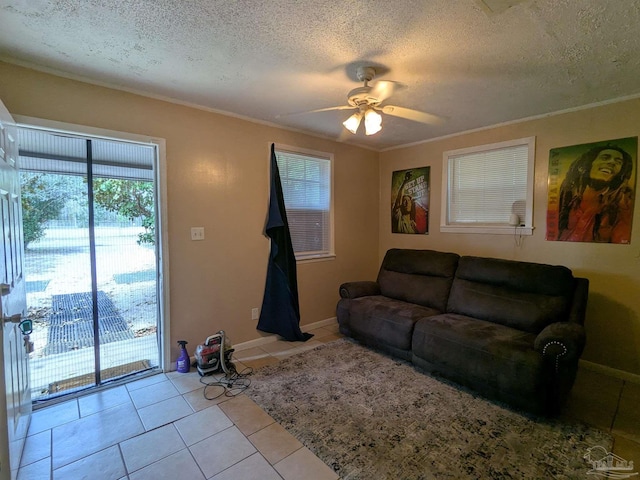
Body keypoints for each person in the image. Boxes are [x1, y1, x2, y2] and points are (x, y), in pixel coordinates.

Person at [556, 144, 634, 243]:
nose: (612, 163)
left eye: (618, 162)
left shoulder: (623, 204)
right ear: (589, 164)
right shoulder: (566, 197)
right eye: (605, 158)